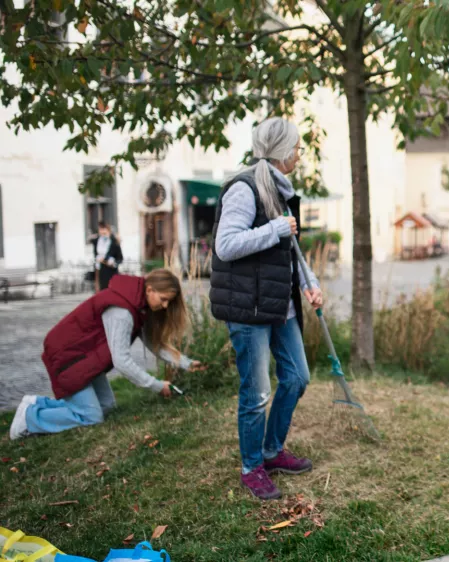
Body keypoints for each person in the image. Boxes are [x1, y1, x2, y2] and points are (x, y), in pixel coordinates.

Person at [210, 117, 323, 501]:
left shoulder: (281, 188)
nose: (299, 153)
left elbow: (287, 249)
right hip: (248, 308)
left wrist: (310, 283)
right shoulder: (244, 189)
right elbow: (226, 245)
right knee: (256, 393)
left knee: (297, 379)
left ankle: (272, 452)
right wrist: (274, 229)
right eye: (296, 147)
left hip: (280, 304)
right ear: (281, 150)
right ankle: (251, 466)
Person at [9, 270, 205, 440]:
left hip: (84, 359)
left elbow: (154, 343)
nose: (164, 306)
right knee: (92, 417)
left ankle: (35, 402)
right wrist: (156, 385)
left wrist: (187, 364)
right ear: (150, 290)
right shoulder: (122, 312)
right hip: (69, 358)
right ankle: (28, 418)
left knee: (106, 405)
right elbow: (122, 361)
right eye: (164, 300)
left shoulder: (137, 305)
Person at [93, 222, 123, 291]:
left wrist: (113, 262)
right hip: (100, 270)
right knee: (101, 291)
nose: (102, 232)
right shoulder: (96, 241)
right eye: (100, 229)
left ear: (108, 230)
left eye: (104, 230)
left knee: (111, 290)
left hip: (111, 270)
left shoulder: (114, 242)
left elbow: (120, 258)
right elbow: (95, 254)